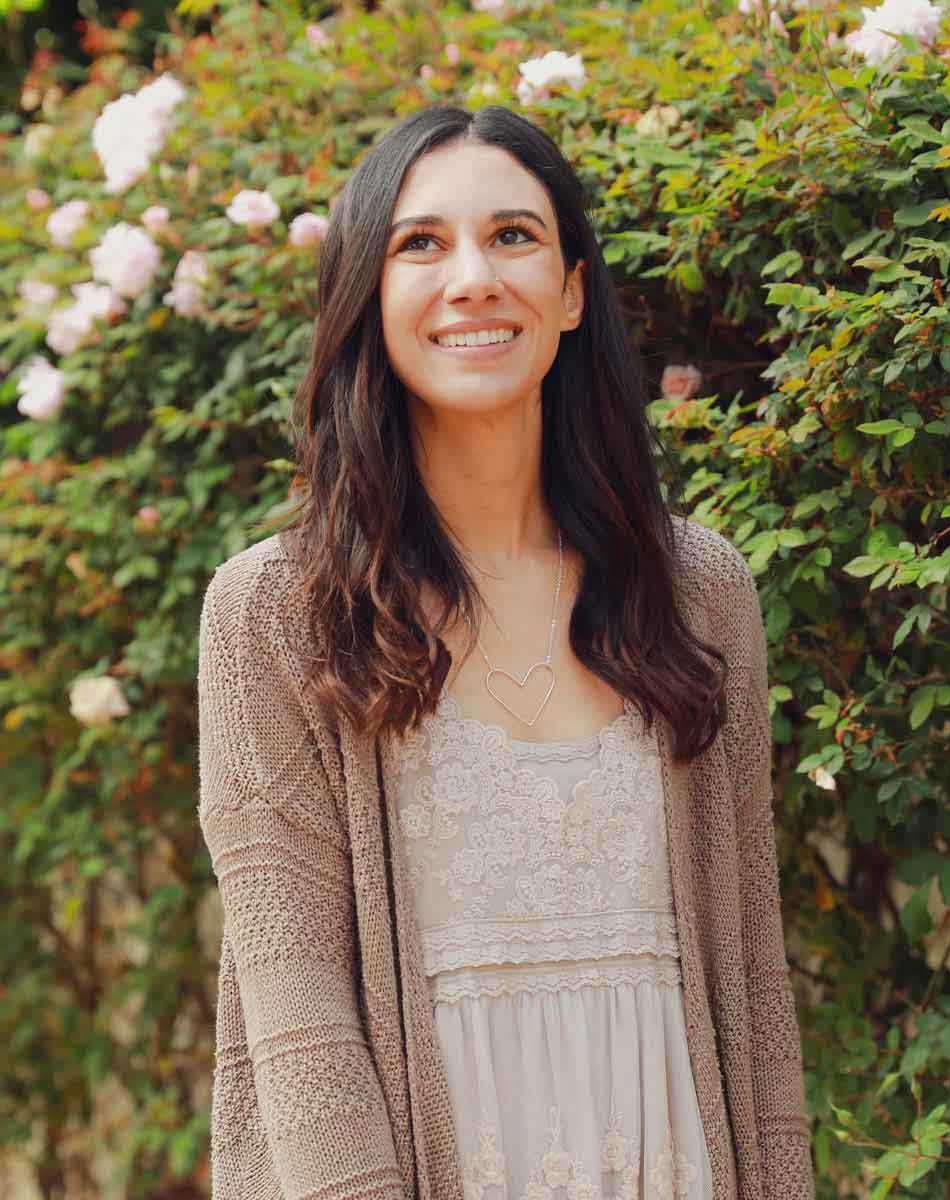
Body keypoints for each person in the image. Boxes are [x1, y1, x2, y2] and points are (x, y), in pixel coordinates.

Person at [197, 104, 812, 1200]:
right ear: (367, 299)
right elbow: (300, 1019)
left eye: (514, 236)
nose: (472, 278)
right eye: (420, 244)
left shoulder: (699, 590)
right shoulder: (274, 612)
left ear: (572, 291)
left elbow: (752, 966)